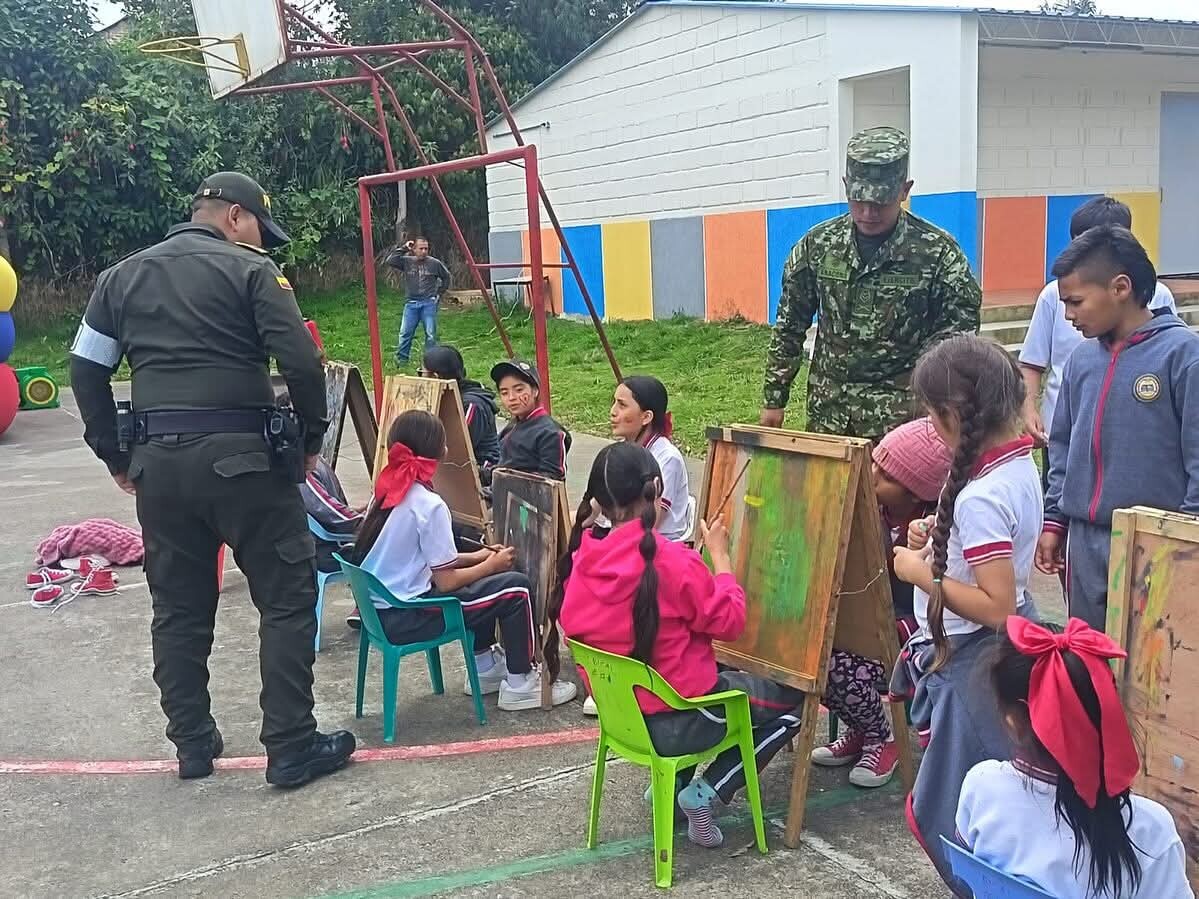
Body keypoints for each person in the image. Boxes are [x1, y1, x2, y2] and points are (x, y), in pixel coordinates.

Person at [69, 171, 355, 786]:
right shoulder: (254, 273)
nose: (262, 242)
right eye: (259, 229)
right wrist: (308, 443)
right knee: (285, 598)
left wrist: (115, 454)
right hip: (247, 464)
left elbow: (84, 369)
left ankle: (194, 747)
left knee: (178, 609)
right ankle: (291, 745)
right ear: (233, 217)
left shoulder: (118, 278)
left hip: (160, 472)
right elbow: (303, 361)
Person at [549, 442, 805, 849]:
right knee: (798, 701)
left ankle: (668, 784)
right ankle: (705, 794)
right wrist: (720, 560)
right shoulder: (673, 563)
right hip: (682, 720)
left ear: (598, 499)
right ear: (655, 488)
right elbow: (731, 622)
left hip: (624, 723)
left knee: (709, 673)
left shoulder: (584, 561)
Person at [889, 334, 1043, 879]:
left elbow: (997, 605)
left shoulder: (981, 496)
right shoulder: (1017, 465)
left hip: (972, 652)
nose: (930, 427)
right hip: (988, 648)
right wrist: (940, 537)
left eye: (931, 417)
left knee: (949, 803)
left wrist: (920, 572)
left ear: (955, 414)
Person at [761, 126, 981, 444]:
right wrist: (774, 399)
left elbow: (957, 342)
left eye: (880, 203)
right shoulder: (818, 246)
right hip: (830, 416)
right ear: (846, 186)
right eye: (858, 200)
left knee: (894, 497)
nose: (867, 212)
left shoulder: (937, 254)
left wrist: (940, 408)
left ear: (905, 191)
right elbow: (789, 327)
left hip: (902, 422)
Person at [354, 410, 576, 710]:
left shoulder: (388, 490)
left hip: (382, 611)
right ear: (439, 449)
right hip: (409, 615)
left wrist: (478, 557)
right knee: (515, 589)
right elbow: (445, 582)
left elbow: (433, 559)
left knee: (485, 579)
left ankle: (484, 666)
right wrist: (490, 565)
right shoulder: (429, 504)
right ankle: (521, 683)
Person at [956, 617, 1193, 898]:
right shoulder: (1151, 832)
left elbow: (966, 884)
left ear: (1014, 723)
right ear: (1108, 706)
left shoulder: (981, 787)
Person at [1038, 225, 1199, 629]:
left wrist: (1184, 539)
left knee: (1152, 671)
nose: (1068, 315)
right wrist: (1055, 520)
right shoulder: (1080, 362)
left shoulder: (1181, 356)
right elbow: (1060, 448)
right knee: (1088, 664)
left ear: (1121, 287)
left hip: (1157, 544)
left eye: (1076, 302)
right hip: (1085, 544)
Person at [812, 417, 952, 788]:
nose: (872, 475)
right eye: (874, 463)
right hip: (867, 618)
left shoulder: (933, 527)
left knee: (836, 663)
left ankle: (883, 737)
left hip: (915, 626)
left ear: (917, 495)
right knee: (813, 649)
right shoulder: (869, 509)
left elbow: (931, 595)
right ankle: (862, 727)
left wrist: (914, 548)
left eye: (888, 476)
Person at [1019, 197, 1176, 463]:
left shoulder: (1178, 345)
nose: (1070, 314)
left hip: (1130, 446)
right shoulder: (1058, 308)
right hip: (1065, 439)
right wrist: (1029, 408)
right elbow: (1032, 363)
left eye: (1077, 303)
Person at [608, 376, 691, 542]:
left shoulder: (667, 458)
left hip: (657, 545)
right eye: (614, 402)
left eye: (622, 405)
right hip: (624, 535)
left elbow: (649, 524)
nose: (613, 411)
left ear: (646, 417)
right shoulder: (623, 452)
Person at [420, 344, 501, 472]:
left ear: (435, 377)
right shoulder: (448, 397)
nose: (420, 378)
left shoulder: (471, 405)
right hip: (457, 472)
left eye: (421, 373)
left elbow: (455, 448)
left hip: (481, 475)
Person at [490, 359, 571, 482]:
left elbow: (551, 480)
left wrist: (507, 480)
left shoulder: (550, 433)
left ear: (535, 391)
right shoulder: (512, 426)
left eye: (519, 390)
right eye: (505, 393)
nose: (511, 398)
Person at [386, 237, 451, 366]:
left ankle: (431, 363)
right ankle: (402, 361)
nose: (424, 251)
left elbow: (446, 277)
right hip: (411, 303)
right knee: (405, 333)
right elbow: (390, 260)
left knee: (430, 334)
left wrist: (439, 293)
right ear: (414, 249)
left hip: (428, 303)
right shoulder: (407, 262)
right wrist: (404, 248)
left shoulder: (435, 263)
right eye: (420, 248)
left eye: (426, 248)